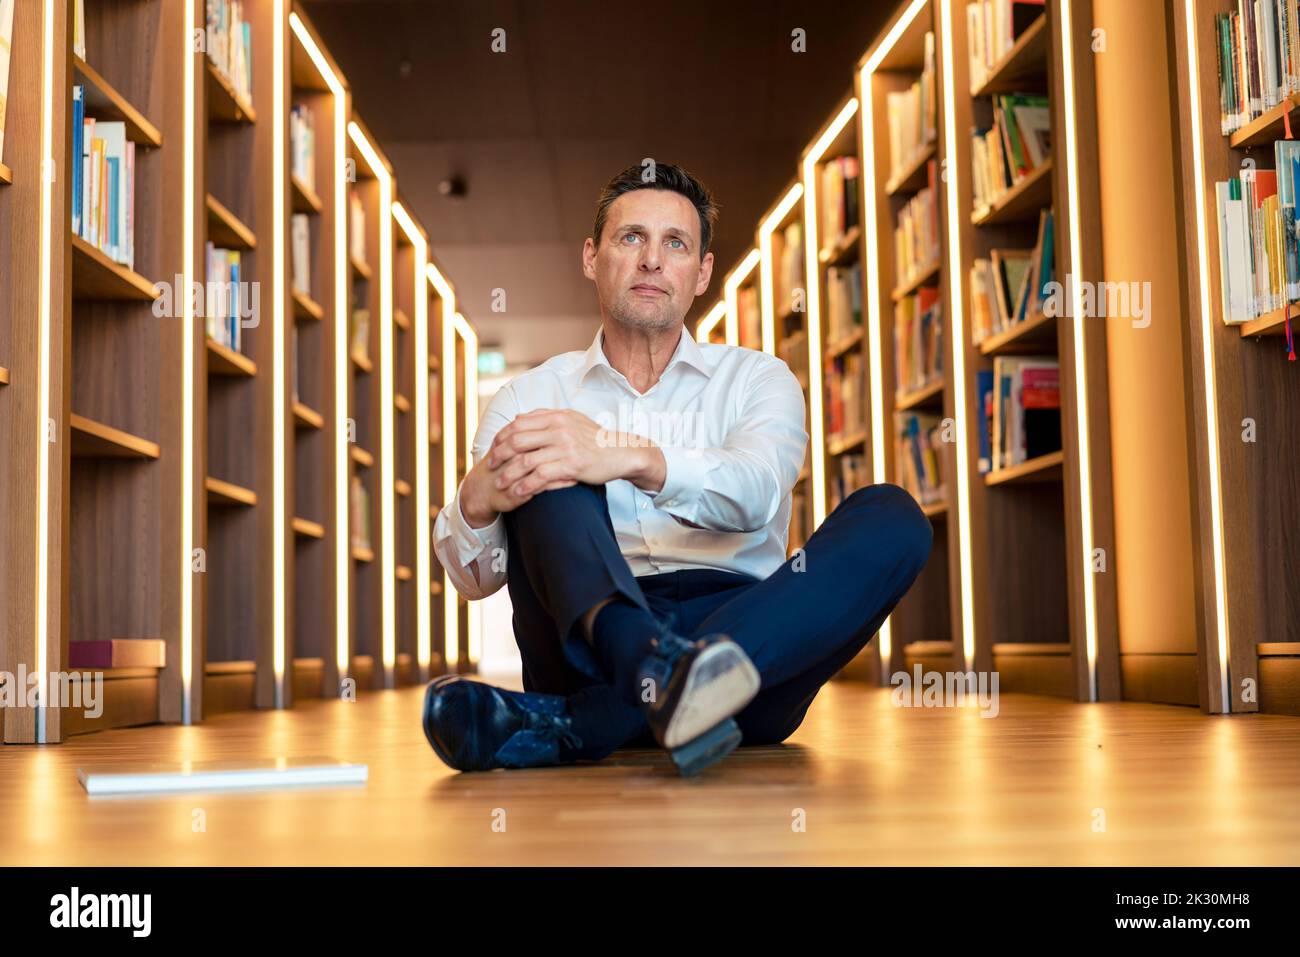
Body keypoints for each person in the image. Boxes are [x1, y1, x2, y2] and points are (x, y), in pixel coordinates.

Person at [423, 162, 931, 776]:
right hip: (588, 642)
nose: (652, 261)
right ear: (592, 257)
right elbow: (477, 581)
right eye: (631, 237)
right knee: (548, 451)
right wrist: (475, 501)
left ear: (702, 272)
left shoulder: (758, 378)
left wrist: (633, 457)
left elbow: (757, 494)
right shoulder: (529, 396)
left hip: (753, 644)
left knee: (894, 517)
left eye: (676, 244)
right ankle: (649, 670)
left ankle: (590, 719)